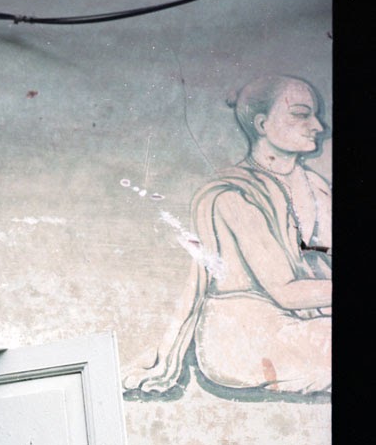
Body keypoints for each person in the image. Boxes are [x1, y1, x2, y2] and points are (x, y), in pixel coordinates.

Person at [124, 74, 331, 395]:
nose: (318, 126)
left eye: (315, 115)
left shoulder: (316, 187)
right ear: (262, 125)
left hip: (302, 323)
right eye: (301, 114)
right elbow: (286, 292)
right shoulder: (232, 196)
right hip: (244, 336)